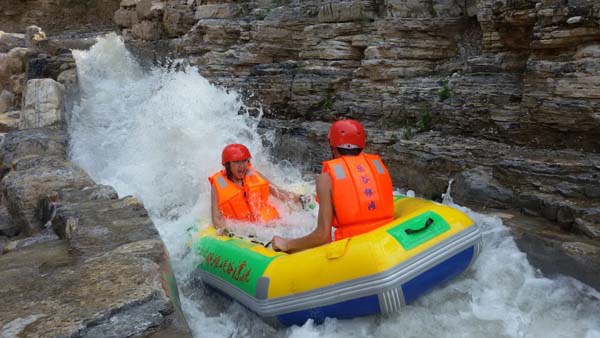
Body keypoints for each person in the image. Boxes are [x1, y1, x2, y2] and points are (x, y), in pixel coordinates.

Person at [271, 119, 394, 253]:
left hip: (355, 251)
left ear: (333, 147)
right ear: (362, 146)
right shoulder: (378, 167)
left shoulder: (326, 179)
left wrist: (287, 244)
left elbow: (322, 236)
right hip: (388, 241)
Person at [209, 143, 302, 231]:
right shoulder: (219, 183)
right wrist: (231, 233)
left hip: (270, 225)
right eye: (236, 162)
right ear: (228, 165)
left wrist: (301, 199)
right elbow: (217, 220)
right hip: (244, 230)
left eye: (244, 161)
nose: (241, 166)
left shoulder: (254, 175)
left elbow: (280, 193)